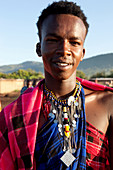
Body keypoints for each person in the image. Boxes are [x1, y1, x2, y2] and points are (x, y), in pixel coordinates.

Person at [0, 1, 113, 169]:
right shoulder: (15, 116)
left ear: (82, 53)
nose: (64, 50)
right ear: (39, 48)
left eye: (74, 42)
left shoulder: (108, 104)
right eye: (53, 40)